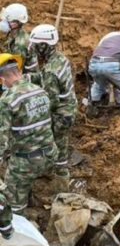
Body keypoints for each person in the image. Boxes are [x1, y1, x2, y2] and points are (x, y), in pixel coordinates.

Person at [0, 53, 57, 237]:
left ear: (2, 79)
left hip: (27, 162)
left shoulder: (8, 100)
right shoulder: (40, 91)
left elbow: (1, 138)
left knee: (11, 198)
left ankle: (18, 234)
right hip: (50, 154)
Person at [29, 24, 77, 191]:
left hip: (60, 114)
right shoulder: (60, 59)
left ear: (44, 45)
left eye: (36, 45)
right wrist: (26, 79)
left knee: (52, 143)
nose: (33, 48)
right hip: (68, 109)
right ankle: (59, 176)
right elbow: (44, 77)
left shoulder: (50, 70)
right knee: (61, 142)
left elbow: (51, 101)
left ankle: (59, 184)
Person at [0, 3, 38, 73]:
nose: (2, 22)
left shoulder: (20, 44)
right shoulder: (14, 34)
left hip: (24, 78)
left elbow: (14, 71)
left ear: (15, 23)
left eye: (6, 21)